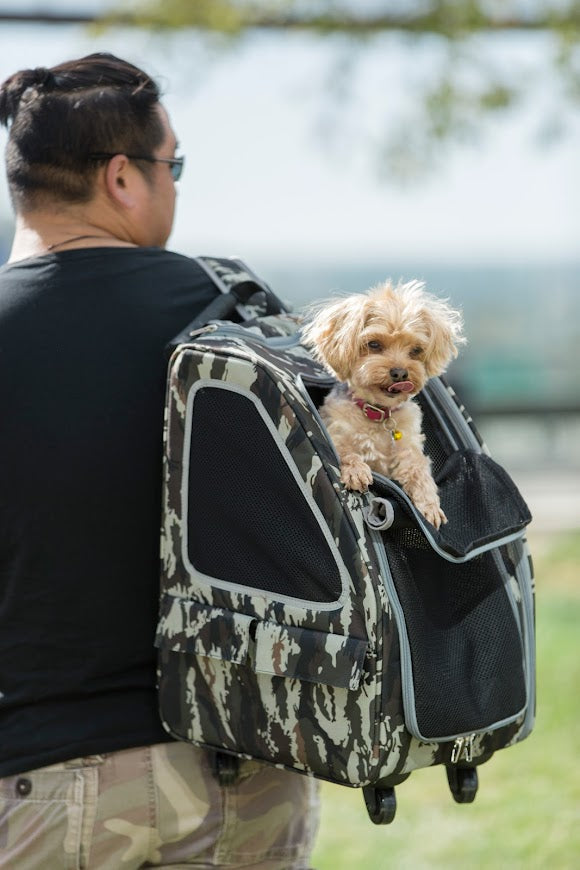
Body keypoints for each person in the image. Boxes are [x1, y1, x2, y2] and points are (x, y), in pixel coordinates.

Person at [0, 53, 319, 869]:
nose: (175, 186)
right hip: (251, 764)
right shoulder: (237, 313)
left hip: (51, 774)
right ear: (121, 177)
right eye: (171, 165)